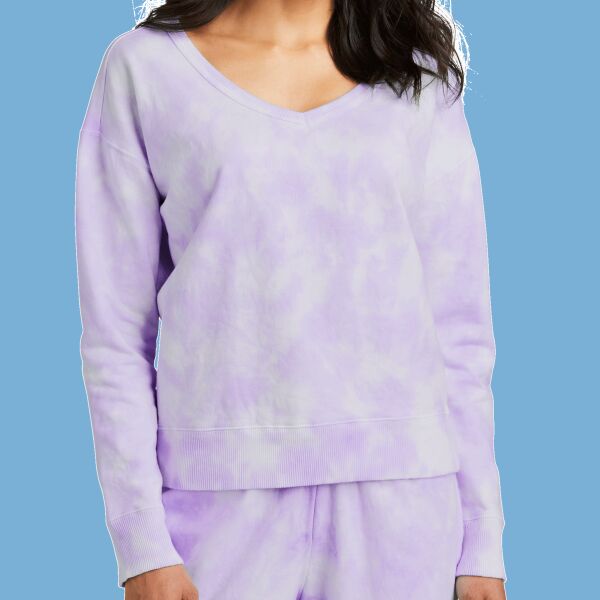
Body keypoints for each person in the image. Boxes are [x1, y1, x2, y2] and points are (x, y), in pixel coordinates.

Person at [74, 1, 508, 598]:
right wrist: (140, 541)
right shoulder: (146, 69)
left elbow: (460, 332)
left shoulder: (419, 80)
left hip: (405, 506)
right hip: (216, 509)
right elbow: (116, 336)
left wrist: (481, 540)